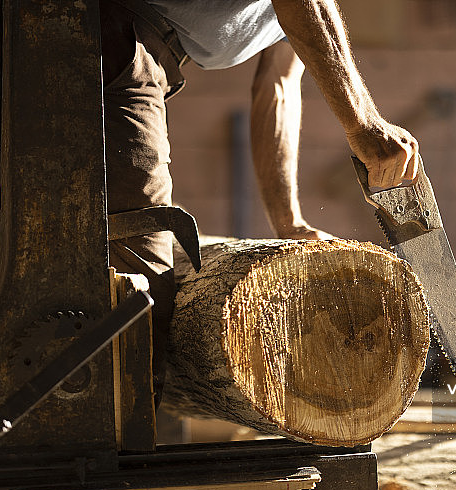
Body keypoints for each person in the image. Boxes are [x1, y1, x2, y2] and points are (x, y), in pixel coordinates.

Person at [99, 0, 420, 403]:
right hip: (115, 34)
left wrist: (288, 221)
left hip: (147, 55)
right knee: (140, 265)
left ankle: (115, 429)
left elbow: (278, 88)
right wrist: (364, 123)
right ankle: (112, 444)